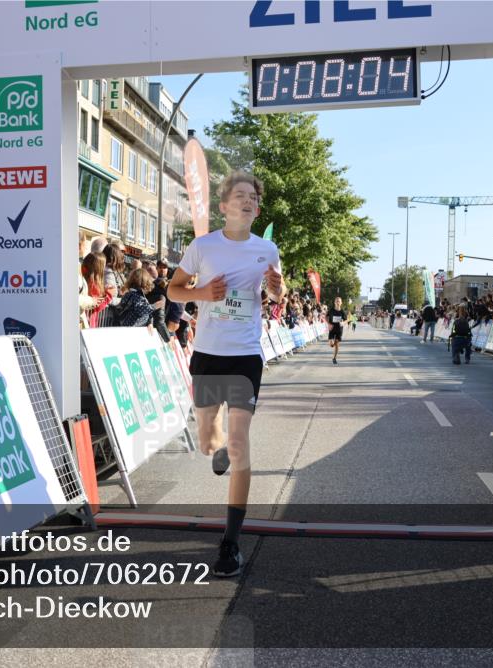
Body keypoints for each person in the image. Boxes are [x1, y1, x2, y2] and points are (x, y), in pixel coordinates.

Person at [167, 171, 285, 577]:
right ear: (223, 206)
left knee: (238, 444)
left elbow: (273, 297)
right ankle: (216, 448)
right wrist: (200, 293)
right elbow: (173, 290)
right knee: (208, 443)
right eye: (240, 196)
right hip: (208, 355)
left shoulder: (266, 248)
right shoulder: (203, 247)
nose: (248, 201)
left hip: (244, 356)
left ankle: (231, 542)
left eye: (253, 196)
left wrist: (277, 288)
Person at [80, 251, 109, 327]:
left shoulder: (81, 277)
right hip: (88, 320)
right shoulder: (95, 284)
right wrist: (108, 295)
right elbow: (98, 306)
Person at [326, 296, 346, 364]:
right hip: (332, 328)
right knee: (331, 345)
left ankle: (334, 358)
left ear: (341, 303)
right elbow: (326, 316)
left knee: (337, 344)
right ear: (334, 302)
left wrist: (343, 322)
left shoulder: (342, 311)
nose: (338, 302)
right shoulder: (331, 310)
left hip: (339, 329)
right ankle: (333, 343)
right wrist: (328, 324)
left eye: (339, 301)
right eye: (336, 301)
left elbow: (347, 319)